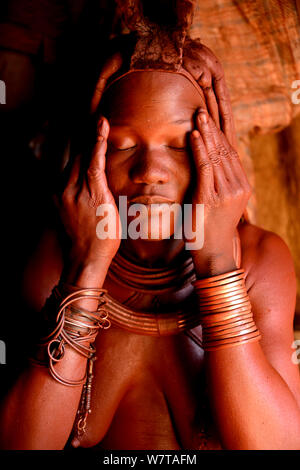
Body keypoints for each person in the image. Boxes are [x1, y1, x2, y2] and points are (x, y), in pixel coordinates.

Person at [0, 0, 300, 450]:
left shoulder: (257, 260)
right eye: (121, 145)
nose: (149, 171)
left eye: (179, 146)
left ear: (217, 156)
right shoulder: (54, 257)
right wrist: (88, 265)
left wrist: (216, 259)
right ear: (91, 158)